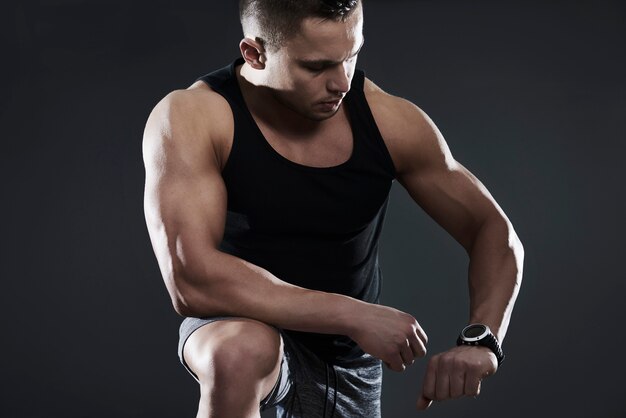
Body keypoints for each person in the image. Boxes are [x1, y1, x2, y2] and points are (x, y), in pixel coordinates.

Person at [142, 0, 524, 417]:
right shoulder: (195, 116)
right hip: (242, 323)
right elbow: (191, 279)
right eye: (316, 66)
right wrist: (351, 314)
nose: (342, 81)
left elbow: (492, 229)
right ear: (255, 53)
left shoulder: (388, 120)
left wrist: (481, 340)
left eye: (351, 55)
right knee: (237, 352)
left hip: (348, 362)